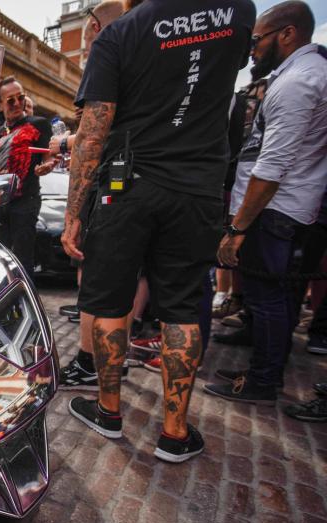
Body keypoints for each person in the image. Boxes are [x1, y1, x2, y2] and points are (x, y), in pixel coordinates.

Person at [61, 0, 255, 463]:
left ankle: (109, 412)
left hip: (125, 184)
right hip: (198, 186)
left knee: (110, 301)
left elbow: (93, 130)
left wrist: (75, 214)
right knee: (184, 307)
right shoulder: (238, 12)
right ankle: (174, 432)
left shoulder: (120, 33)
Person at [208, 1, 326, 405]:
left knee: (269, 298)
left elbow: (272, 166)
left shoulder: (299, 81)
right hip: (278, 206)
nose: (253, 49)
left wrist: (237, 229)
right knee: (268, 297)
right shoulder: (299, 75)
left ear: (288, 34)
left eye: (258, 39)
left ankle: (262, 381)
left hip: (276, 209)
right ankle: (261, 370)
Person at [52, 0, 127, 391]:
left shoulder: (111, 48)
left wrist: (73, 215)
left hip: (114, 182)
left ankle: (89, 366)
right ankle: (113, 362)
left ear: (95, 27)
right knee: (125, 278)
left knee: (97, 277)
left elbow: (95, 136)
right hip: (150, 183)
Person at [0, 77, 55, 273]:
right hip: (0, 202)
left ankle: (24, 300)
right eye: (10, 100)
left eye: (20, 97)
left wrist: (46, 167)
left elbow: (48, 157)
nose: (17, 104)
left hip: (26, 200)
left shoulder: (39, 124)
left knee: (23, 258)